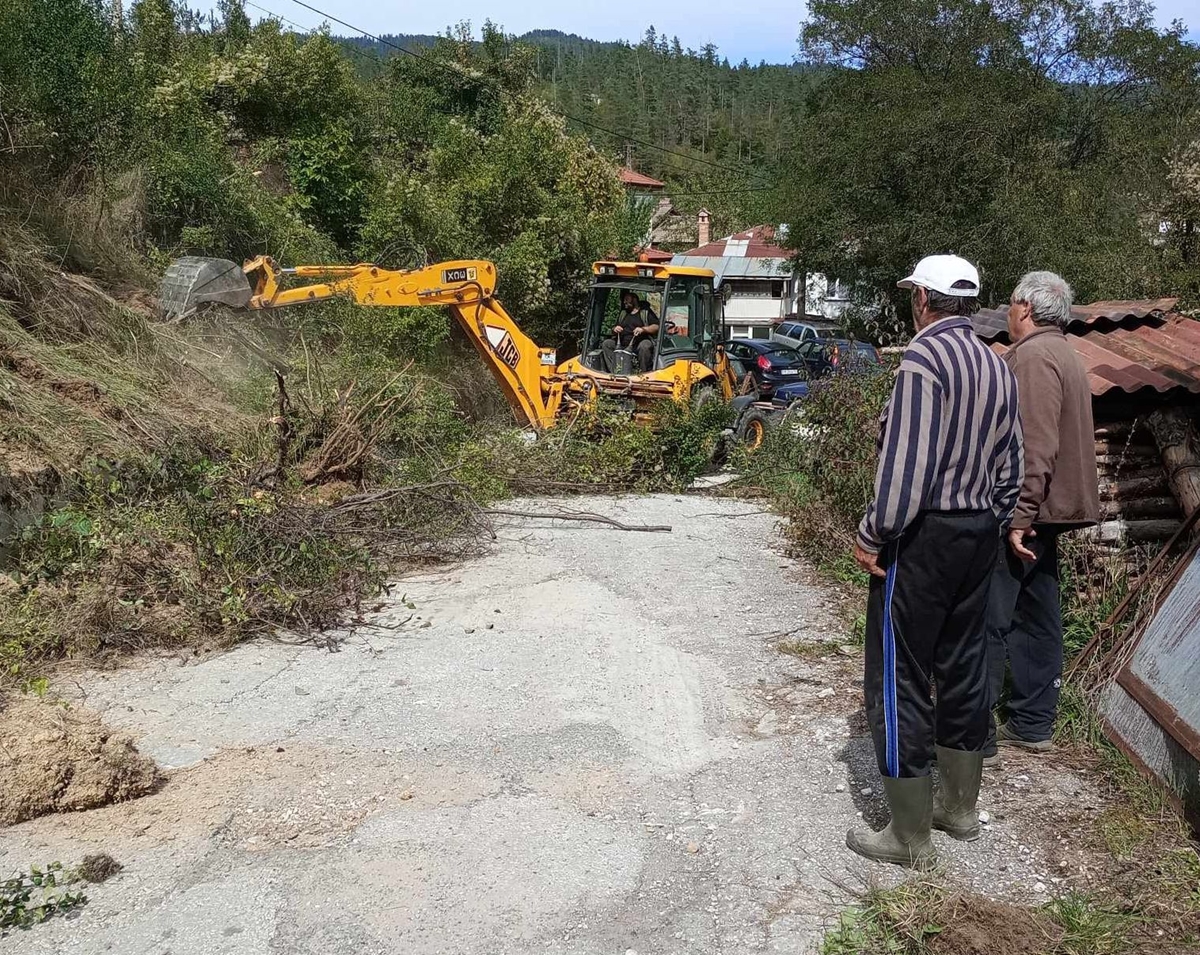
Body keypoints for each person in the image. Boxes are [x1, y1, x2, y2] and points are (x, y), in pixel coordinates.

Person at [847, 254, 1023, 870]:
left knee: (898, 675)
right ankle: (960, 809)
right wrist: (992, 523)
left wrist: (874, 531)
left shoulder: (923, 360)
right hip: (979, 534)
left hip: (922, 536)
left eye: (912, 295)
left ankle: (909, 834)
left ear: (924, 300)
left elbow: (907, 468)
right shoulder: (997, 365)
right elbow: (1013, 468)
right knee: (964, 664)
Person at [985, 271, 1100, 762]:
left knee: (988, 615)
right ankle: (1032, 722)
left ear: (1026, 308)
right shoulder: (1065, 353)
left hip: (1026, 511)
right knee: (1036, 613)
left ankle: (975, 734)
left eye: (1011, 305)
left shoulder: (1032, 357)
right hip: (1048, 510)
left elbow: (1035, 445)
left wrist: (1018, 515)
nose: (1008, 314)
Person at [601, 291, 659, 373]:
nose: (625, 302)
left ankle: (643, 373)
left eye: (627, 299)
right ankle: (615, 371)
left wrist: (643, 329)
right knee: (606, 344)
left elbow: (656, 326)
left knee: (645, 346)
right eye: (624, 300)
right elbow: (614, 327)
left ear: (634, 300)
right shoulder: (623, 313)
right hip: (621, 344)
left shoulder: (645, 312)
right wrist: (615, 328)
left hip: (638, 343)